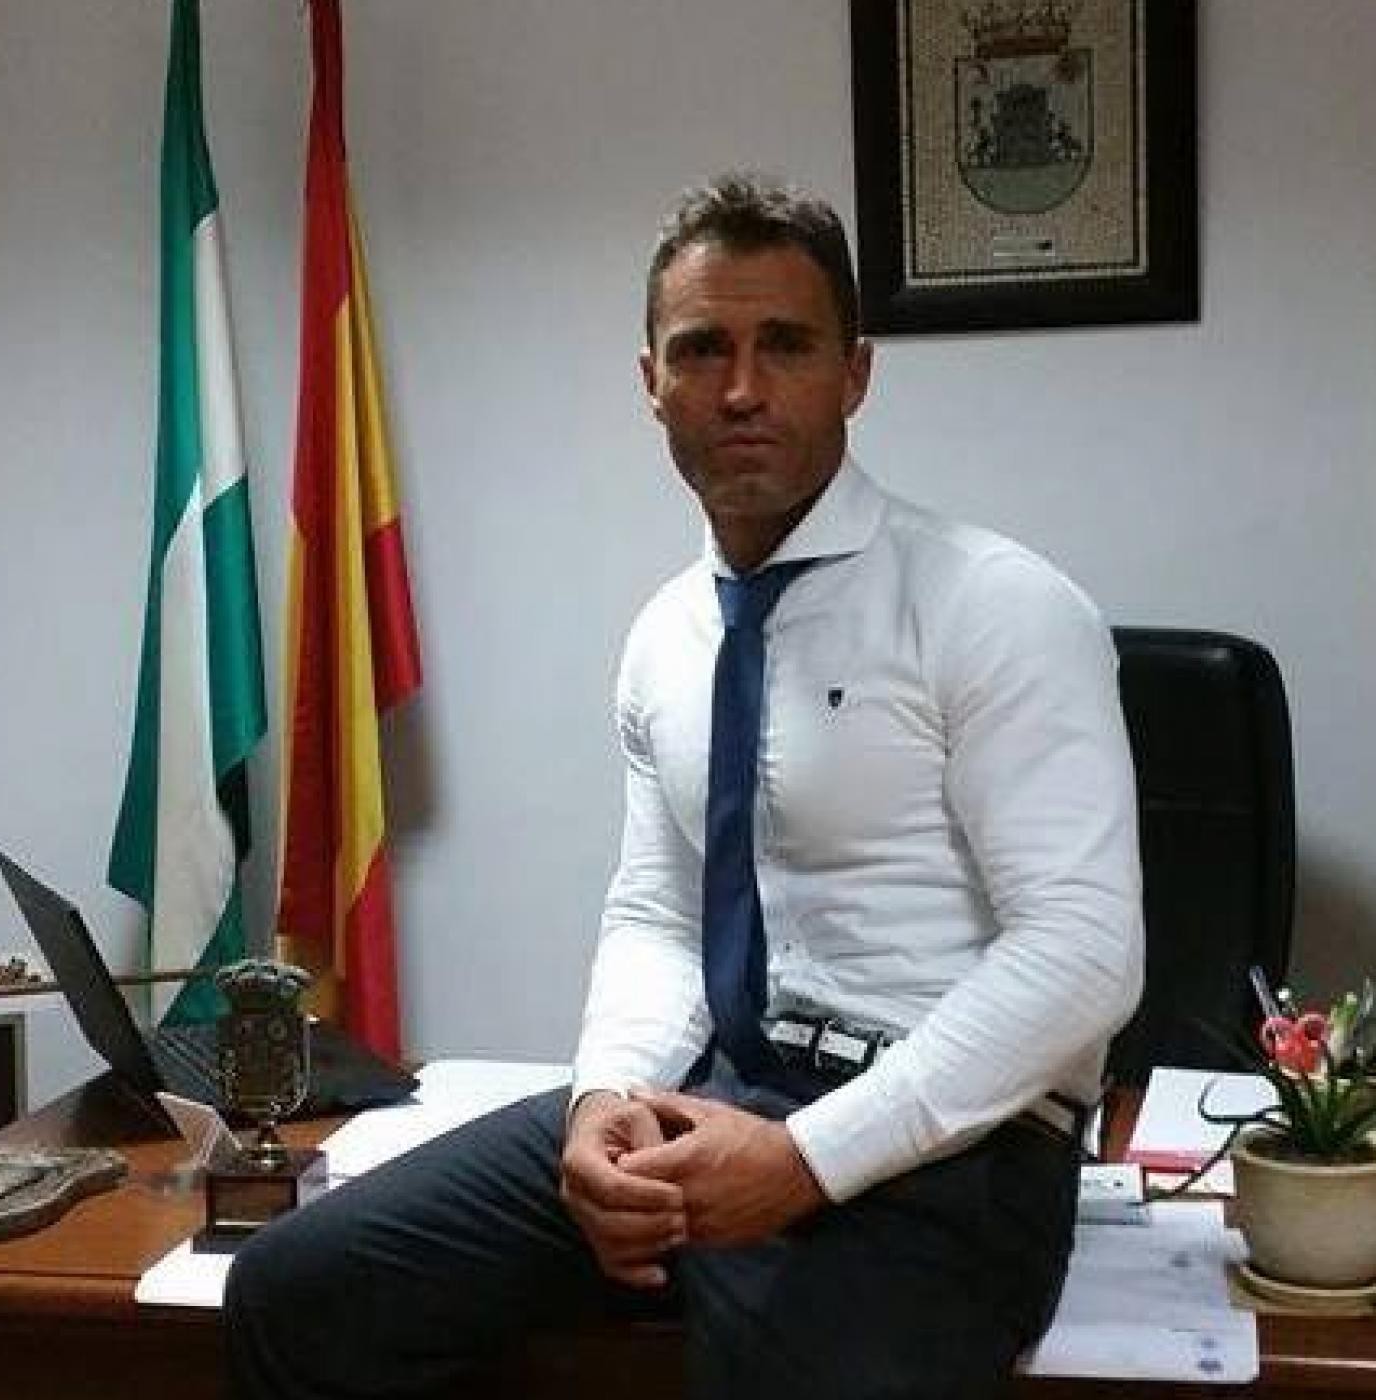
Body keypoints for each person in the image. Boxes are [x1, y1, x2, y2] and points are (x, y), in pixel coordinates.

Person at [225, 173, 1144, 1400]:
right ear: (650, 380)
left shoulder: (996, 604)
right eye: (703, 348)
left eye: (786, 346)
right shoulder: (668, 635)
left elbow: (1082, 953)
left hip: (951, 1147)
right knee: (297, 1293)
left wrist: (807, 1155)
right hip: (712, 1092)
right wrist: (600, 1102)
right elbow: (658, 915)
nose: (742, 388)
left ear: (854, 374)